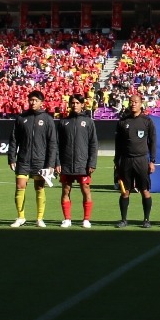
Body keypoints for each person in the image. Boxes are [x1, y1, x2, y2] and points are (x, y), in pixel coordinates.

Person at [8, 90, 58, 228]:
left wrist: (50, 164)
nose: (33, 102)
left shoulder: (47, 119)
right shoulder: (21, 118)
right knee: (20, 186)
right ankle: (20, 217)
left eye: (36, 100)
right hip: (23, 159)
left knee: (39, 187)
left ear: (42, 102)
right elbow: (14, 140)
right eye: (31, 100)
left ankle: (39, 218)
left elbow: (52, 143)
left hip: (40, 160)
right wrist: (12, 157)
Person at [55, 94, 99, 228]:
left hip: (83, 163)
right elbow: (56, 144)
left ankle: (86, 219)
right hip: (66, 163)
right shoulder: (63, 122)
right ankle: (67, 219)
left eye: (77, 103)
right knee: (66, 190)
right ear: (70, 105)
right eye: (72, 103)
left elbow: (93, 143)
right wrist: (57, 162)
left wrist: (92, 162)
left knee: (86, 190)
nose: (75, 105)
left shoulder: (89, 122)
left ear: (82, 104)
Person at [114, 90, 156, 228]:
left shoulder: (147, 121)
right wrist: (117, 162)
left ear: (141, 104)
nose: (133, 104)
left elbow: (153, 142)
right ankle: (123, 219)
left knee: (145, 190)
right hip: (126, 160)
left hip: (141, 160)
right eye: (131, 102)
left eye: (135, 102)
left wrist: (152, 161)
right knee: (125, 191)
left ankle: (146, 219)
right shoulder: (123, 122)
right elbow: (118, 144)